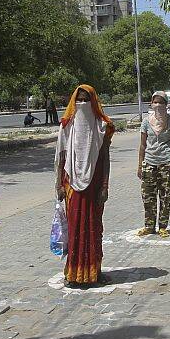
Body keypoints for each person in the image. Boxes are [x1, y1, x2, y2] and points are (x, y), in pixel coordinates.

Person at [55, 85, 114, 286]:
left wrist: (105, 186)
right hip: (71, 185)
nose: (82, 105)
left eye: (86, 101)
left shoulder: (102, 126)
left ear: (94, 102)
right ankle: (73, 274)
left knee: (94, 228)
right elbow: (61, 157)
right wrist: (58, 185)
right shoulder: (66, 125)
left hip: (95, 185)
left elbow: (105, 158)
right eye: (78, 101)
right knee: (74, 230)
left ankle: (94, 272)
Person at [137, 91, 170, 238]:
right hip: (149, 163)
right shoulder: (146, 122)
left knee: (165, 196)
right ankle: (149, 226)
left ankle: (163, 226)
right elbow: (143, 145)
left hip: (167, 163)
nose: (158, 105)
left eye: (161, 102)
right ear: (151, 104)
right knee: (148, 197)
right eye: (155, 102)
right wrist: (140, 165)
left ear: (166, 104)